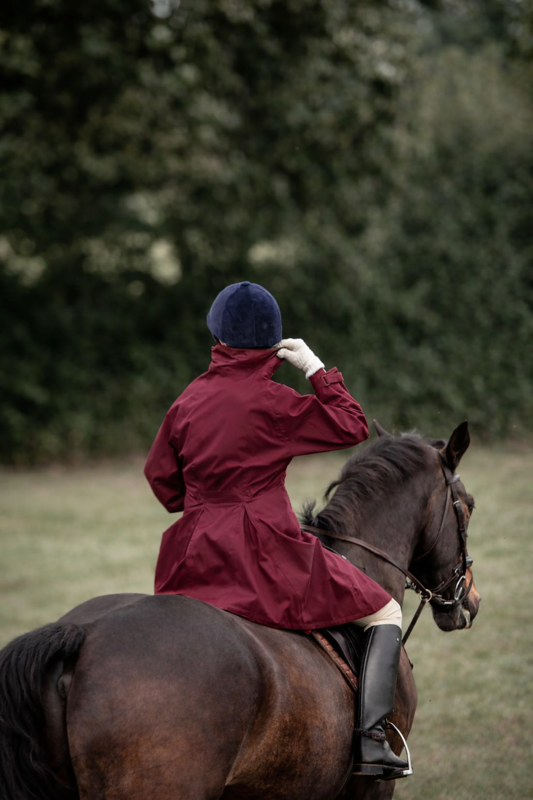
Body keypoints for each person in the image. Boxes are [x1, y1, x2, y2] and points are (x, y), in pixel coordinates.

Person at [144, 281, 410, 780]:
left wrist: (202, 502)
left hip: (193, 554)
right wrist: (313, 368)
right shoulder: (275, 401)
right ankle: (373, 744)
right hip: (266, 554)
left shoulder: (187, 401)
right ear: (274, 343)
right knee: (386, 609)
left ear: (216, 335)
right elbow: (351, 425)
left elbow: (161, 482)